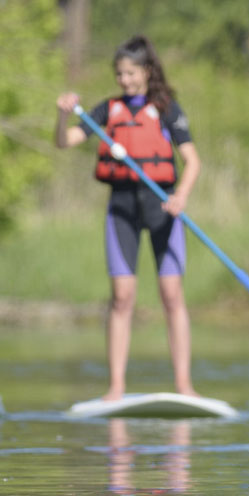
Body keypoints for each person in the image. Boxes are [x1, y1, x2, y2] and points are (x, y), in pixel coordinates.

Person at [52, 35, 203, 401]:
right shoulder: (107, 109)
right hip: (122, 208)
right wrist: (62, 114)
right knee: (122, 297)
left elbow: (193, 161)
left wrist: (181, 196)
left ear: (147, 71)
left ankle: (184, 385)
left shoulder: (167, 109)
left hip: (162, 207)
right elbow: (64, 141)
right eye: (120, 74)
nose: (125, 80)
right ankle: (116, 387)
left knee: (171, 294)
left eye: (131, 73)